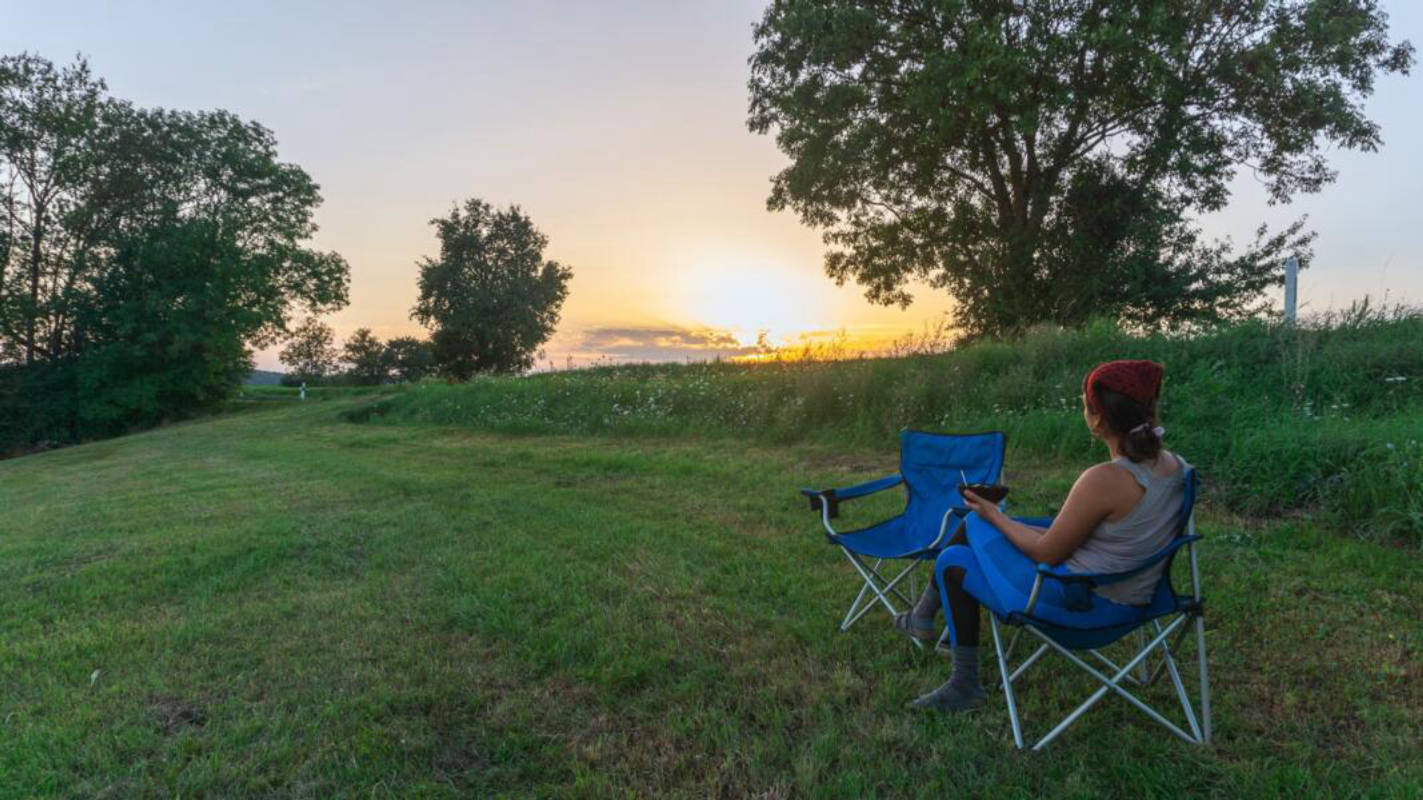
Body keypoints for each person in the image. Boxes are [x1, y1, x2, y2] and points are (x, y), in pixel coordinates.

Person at [895, 359, 1191, 711]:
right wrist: (1008, 523)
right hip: (1142, 597)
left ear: (1096, 418)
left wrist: (993, 515)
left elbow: (1046, 553)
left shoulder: (1104, 480)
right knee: (991, 527)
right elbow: (1098, 537)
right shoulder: (1177, 467)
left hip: (1081, 603)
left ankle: (960, 679)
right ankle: (924, 619)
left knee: (956, 555)